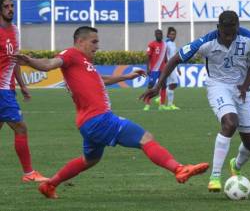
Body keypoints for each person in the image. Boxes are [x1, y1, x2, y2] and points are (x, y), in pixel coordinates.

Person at [11, 26, 209, 199]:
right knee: (145, 138)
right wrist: (30, 61)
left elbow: (101, 79)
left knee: (90, 160)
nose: (97, 46)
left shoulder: (84, 63)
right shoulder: (71, 54)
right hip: (99, 119)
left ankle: (49, 184)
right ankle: (179, 169)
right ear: (80, 41)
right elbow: (49, 64)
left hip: (88, 122)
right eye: (94, 42)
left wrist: (128, 76)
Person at [140, 10, 250, 192]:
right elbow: (175, 59)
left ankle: (235, 165)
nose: (229, 38)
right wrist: (158, 86)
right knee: (230, 123)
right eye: (225, 33)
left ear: (237, 27)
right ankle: (215, 176)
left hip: (241, 89)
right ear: (218, 28)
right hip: (217, 86)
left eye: (232, 33)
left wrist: (245, 85)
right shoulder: (205, 42)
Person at [0, 0, 48, 182]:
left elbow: (15, 61)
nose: (11, 9)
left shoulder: (15, 31)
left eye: (12, 6)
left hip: (8, 88)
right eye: (6, 6)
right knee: (20, 127)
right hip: (1, 90)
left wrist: (22, 85)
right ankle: (29, 174)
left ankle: (29, 174)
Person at [143, 29, 168, 111]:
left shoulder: (165, 45)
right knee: (151, 86)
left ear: (162, 35)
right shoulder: (151, 44)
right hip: (154, 69)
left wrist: (168, 67)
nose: (159, 35)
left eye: (160, 34)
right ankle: (147, 104)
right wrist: (148, 68)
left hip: (163, 69)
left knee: (164, 85)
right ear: (155, 35)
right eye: (157, 34)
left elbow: (165, 58)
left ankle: (162, 105)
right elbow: (147, 56)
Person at [165, 27, 181, 110]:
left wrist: (177, 67)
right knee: (174, 84)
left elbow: (174, 57)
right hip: (169, 66)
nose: (173, 36)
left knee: (172, 84)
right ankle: (169, 104)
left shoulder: (173, 43)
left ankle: (163, 97)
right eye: (171, 34)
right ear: (168, 35)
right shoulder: (166, 44)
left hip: (173, 66)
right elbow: (164, 56)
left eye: (174, 34)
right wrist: (166, 65)